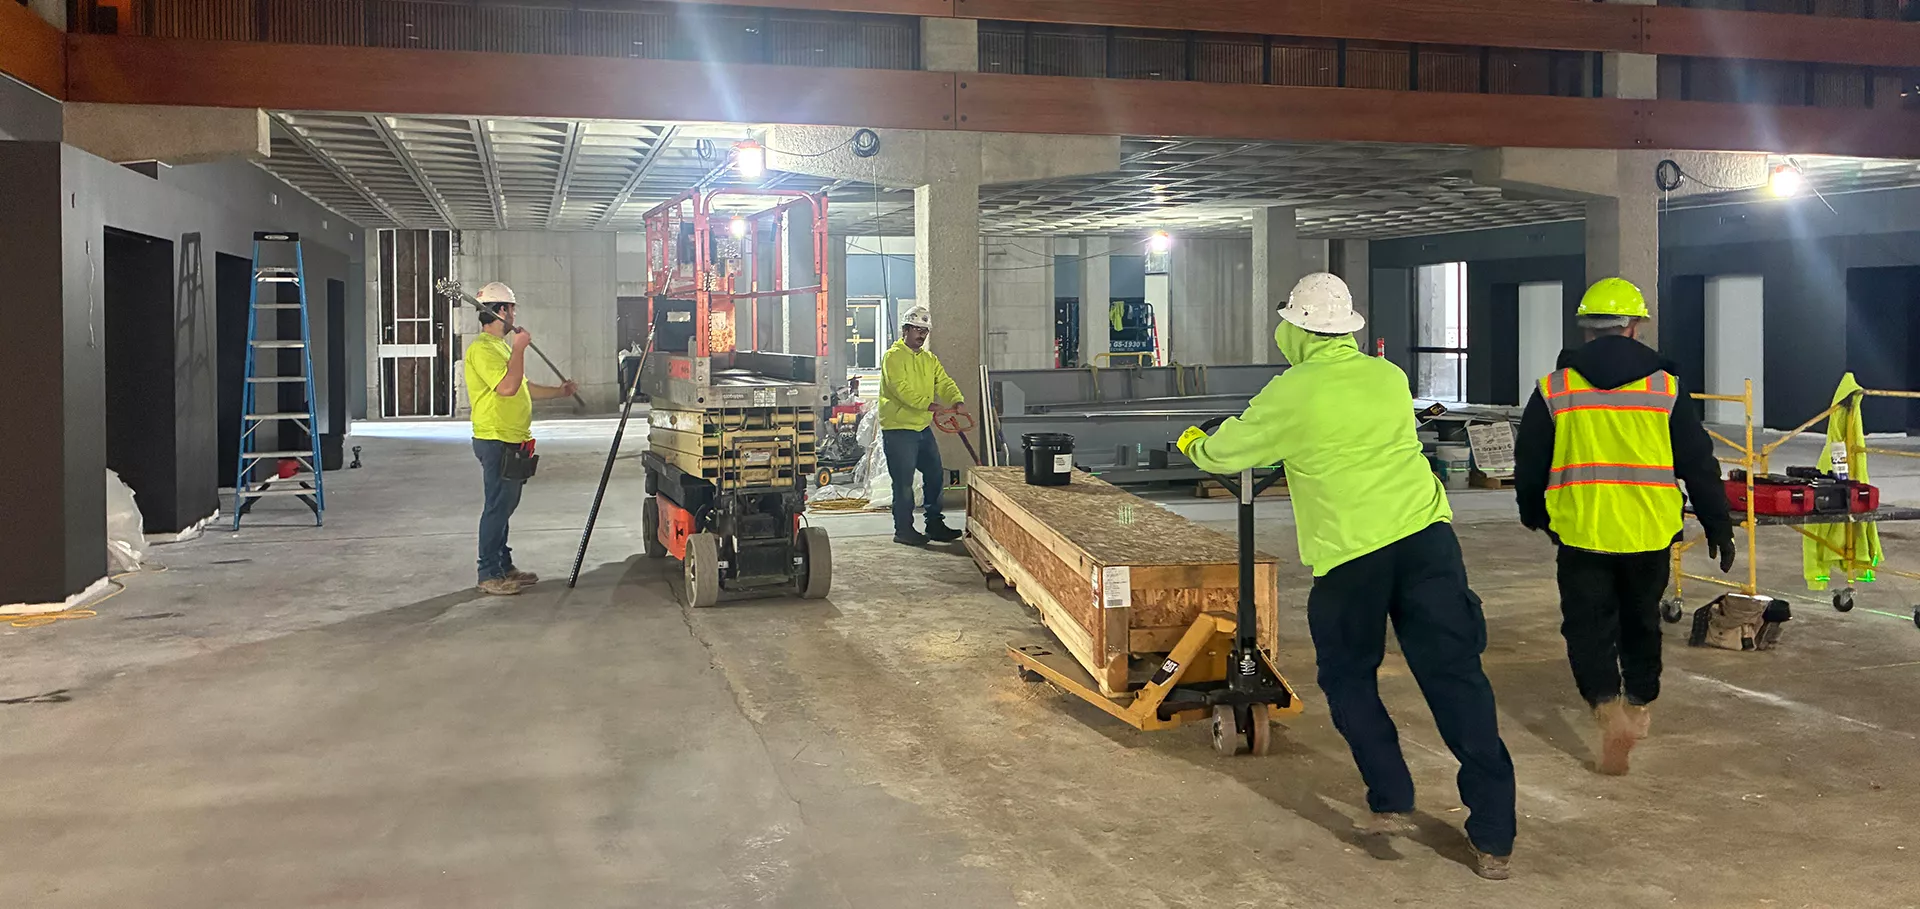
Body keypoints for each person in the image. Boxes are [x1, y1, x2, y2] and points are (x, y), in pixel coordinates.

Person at [1179, 273, 1517, 881]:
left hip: (1352, 558)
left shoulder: (1294, 391)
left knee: (1348, 674)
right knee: (1456, 677)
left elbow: (1229, 452)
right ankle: (1494, 836)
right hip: (1426, 541)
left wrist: (1194, 443)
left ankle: (1390, 795)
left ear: (1299, 330)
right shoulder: (1388, 378)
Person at [1514, 277, 1732, 775]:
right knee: (1641, 620)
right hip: (1648, 532)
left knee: (1587, 627)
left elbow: (1529, 462)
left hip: (1582, 532)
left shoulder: (1555, 388)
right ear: (1634, 327)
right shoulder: (1666, 388)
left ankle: (1606, 707)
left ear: (1587, 329)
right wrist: (1719, 524)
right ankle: (1638, 703)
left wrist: (1534, 512)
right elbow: (1698, 462)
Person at [465, 282, 578, 596]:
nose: (514, 314)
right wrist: (520, 348)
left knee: (505, 506)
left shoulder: (501, 347)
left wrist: (560, 392)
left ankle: (504, 566)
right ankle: (488, 573)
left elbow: (523, 387)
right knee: (497, 507)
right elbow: (507, 388)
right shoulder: (483, 349)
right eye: (512, 309)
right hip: (495, 438)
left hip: (513, 439)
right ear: (501, 310)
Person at [877, 304, 967, 547]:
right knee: (904, 483)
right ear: (905, 330)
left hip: (921, 428)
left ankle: (934, 523)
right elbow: (899, 388)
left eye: (924, 331)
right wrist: (927, 405)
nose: (921, 335)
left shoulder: (929, 359)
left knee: (935, 474)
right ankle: (903, 529)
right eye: (917, 329)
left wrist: (956, 399)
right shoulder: (893, 357)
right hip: (899, 429)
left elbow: (944, 381)